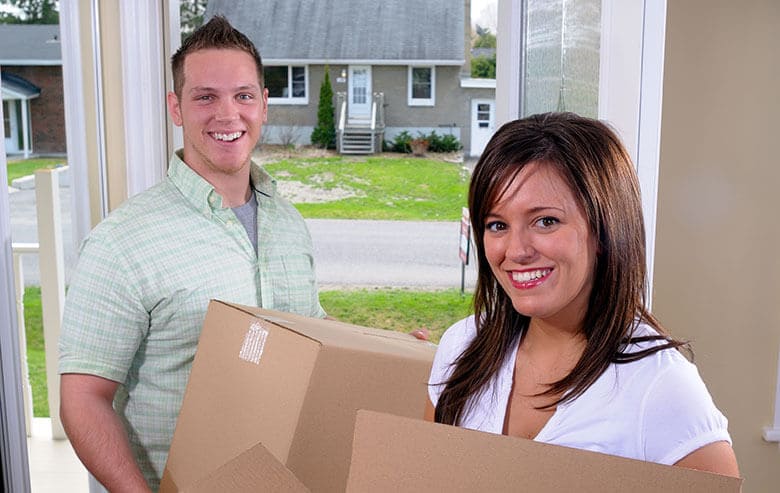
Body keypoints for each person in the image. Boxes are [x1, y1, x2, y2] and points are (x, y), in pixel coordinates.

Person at [58, 16, 326, 492]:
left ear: (263, 105)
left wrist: (386, 350)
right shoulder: (121, 242)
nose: (228, 114)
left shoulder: (289, 223)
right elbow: (83, 398)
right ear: (176, 108)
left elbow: (313, 335)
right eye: (205, 97)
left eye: (243, 96)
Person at [425, 112, 740, 477]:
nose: (516, 250)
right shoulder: (462, 346)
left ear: (605, 232)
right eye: (497, 225)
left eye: (546, 221)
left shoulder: (660, 388)